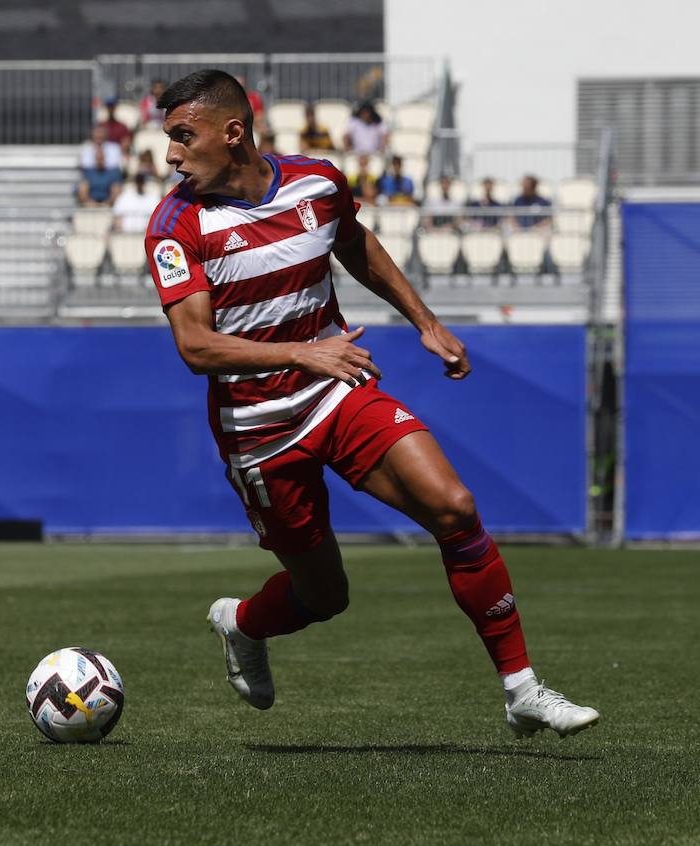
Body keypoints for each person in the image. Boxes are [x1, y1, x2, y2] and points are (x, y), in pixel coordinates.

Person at [145, 70, 599, 738]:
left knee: (454, 507)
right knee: (325, 597)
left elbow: (356, 245)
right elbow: (196, 347)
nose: (171, 155)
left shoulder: (317, 184)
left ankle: (521, 689)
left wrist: (425, 320)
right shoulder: (176, 224)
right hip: (259, 431)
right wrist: (305, 353)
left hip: (337, 393)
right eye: (169, 140)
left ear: (233, 132)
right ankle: (241, 623)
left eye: (184, 136)